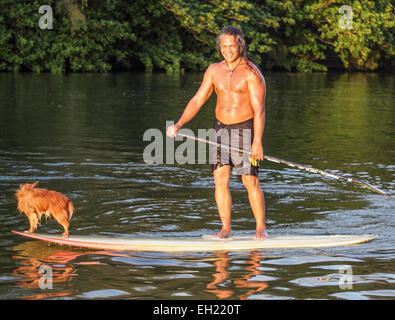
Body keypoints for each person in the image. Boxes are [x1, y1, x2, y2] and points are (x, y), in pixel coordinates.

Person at [167, 26, 267, 239]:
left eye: (232, 46)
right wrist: (179, 124)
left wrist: (257, 142)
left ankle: (260, 229)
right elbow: (197, 100)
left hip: (244, 129)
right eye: (224, 46)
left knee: (249, 180)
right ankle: (225, 229)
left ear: (239, 45)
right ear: (220, 47)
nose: (228, 50)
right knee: (219, 179)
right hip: (220, 129)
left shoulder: (252, 73)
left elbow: (260, 110)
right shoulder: (214, 70)